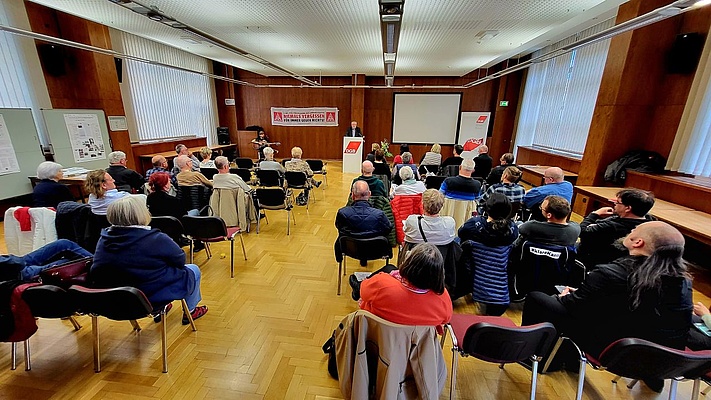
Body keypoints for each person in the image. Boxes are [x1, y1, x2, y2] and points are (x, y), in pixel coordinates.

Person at [521, 221, 692, 391]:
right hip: (663, 361)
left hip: (612, 351)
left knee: (538, 299)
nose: (631, 229)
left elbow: (573, 307)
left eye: (634, 229)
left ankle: (532, 355)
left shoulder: (609, 273)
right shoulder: (684, 282)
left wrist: (569, 296)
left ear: (638, 242)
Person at [90, 196, 208, 324]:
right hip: (149, 298)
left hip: (115, 300)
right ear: (142, 214)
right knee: (192, 269)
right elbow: (180, 260)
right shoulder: (156, 238)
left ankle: (163, 307)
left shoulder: (104, 239)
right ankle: (190, 311)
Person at [358, 243, 453, 326]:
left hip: (378, 339)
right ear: (439, 273)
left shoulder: (382, 284)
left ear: (408, 265)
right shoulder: (442, 298)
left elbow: (363, 291)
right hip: (416, 345)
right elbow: (446, 319)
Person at [458, 193, 519, 316]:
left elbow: (461, 233)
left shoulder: (474, 224)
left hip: (473, 266)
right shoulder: (513, 229)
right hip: (501, 283)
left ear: (487, 209)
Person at [577, 188, 655, 268]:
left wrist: (594, 214)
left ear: (628, 208)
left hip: (594, 261)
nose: (614, 204)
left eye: (617, 202)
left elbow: (582, 231)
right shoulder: (650, 223)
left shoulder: (611, 227)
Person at [334, 181, 392, 263]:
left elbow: (339, 226)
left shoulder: (342, 213)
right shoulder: (379, 214)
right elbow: (388, 228)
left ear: (353, 195)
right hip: (375, 250)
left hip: (350, 249)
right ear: (369, 194)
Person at [0, 239, 92, 282]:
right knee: (71, 263)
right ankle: (100, 268)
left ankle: (98, 265)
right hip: (18, 276)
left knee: (64, 244)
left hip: (15, 263)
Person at [516, 195, 580, 247]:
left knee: (519, 223)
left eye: (541, 208)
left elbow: (520, 229)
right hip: (558, 261)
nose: (541, 209)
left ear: (549, 215)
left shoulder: (531, 226)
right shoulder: (575, 229)